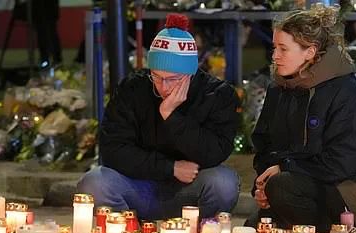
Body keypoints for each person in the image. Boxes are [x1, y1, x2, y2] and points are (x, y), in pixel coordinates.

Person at [77, 14, 240, 220]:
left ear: (191, 73)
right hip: (139, 185)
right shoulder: (133, 88)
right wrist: (170, 168)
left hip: (189, 188)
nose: (164, 87)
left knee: (224, 182)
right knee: (93, 183)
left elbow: (214, 152)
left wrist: (171, 116)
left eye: (173, 79)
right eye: (156, 76)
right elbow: (112, 149)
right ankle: (127, 232)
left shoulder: (218, 95)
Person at [246, 3, 356, 232]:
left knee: (282, 188)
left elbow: (341, 163)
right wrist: (262, 184)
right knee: (254, 230)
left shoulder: (348, 95)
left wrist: (284, 168)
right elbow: (265, 144)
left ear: (310, 52)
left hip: (354, 186)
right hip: (298, 180)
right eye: (274, 48)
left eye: (283, 49)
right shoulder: (279, 88)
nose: (275, 56)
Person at [31, 0, 62, 67]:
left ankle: (49, 60)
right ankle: (55, 60)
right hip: (45, 8)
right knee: (48, 32)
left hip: (44, 8)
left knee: (46, 32)